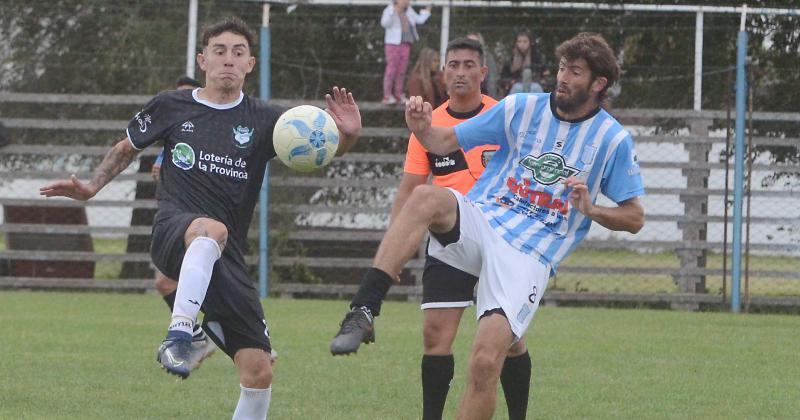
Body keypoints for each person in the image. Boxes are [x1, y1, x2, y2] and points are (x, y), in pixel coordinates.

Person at [40, 17, 362, 420]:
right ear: (203, 59)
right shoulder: (172, 105)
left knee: (258, 371)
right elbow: (127, 147)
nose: (229, 59)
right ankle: (180, 335)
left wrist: (346, 135)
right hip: (175, 231)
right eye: (220, 51)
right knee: (210, 229)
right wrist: (91, 187)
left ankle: (202, 334)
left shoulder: (269, 121)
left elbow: (319, 149)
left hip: (226, 258)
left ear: (250, 64)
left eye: (238, 53)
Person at [332, 32, 644, 419]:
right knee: (426, 198)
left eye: (575, 72)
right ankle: (363, 309)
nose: (563, 77)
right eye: (563, 67)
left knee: (483, 362)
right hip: (484, 220)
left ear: (599, 84)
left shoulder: (613, 140)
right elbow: (442, 141)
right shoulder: (521, 108)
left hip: (530, 254)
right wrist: (421, 128)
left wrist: (593, 209)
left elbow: (635, 217)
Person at [332, 37, 533, 420]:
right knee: (435, 337)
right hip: (451, 239)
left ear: (483, 73)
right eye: (452, 64)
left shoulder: (504, 118)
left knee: (510, 342)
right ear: (443, 73)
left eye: (468, 65)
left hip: (502, 239)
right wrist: (396, 245)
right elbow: (409, 192)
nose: (459, 72)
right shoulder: (426, 125)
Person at [380, 0, 432, 105]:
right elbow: (384, 23)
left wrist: (427, 11)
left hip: (405, 43)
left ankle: (399, 94)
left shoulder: (409, 10)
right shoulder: (389, 10)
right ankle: (387, 95)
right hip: (393, 44)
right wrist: (394, 11)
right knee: (391, 69)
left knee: (401, 70)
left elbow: (419, 20)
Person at [499, 30, 549, 96]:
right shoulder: (510, 60)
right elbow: (503, 78)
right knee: (517, 87)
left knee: (536, 87)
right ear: (516, 43)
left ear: (530, 43)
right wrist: (511, 81)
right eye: (519, 41)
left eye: (525, 41)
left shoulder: (536, 58)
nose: (522, 44)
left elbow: (545, 73)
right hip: (516, 87)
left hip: (533, 86)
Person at [465, 32, 498, 99]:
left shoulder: (488, 59)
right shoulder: (460, 59)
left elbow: (491, 83)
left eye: (474, 42)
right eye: (468, 42)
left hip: (483, 96)